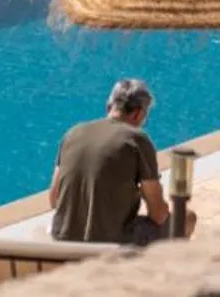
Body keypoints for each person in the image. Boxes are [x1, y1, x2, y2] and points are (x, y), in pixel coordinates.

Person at [50, 78, 198, 244]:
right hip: (109, 243)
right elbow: (158, 214)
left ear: (109, 107)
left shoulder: (72, 134)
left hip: (62, 235)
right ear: (138, 114)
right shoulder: (136, 139)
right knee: (187, 219)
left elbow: (54, 199)